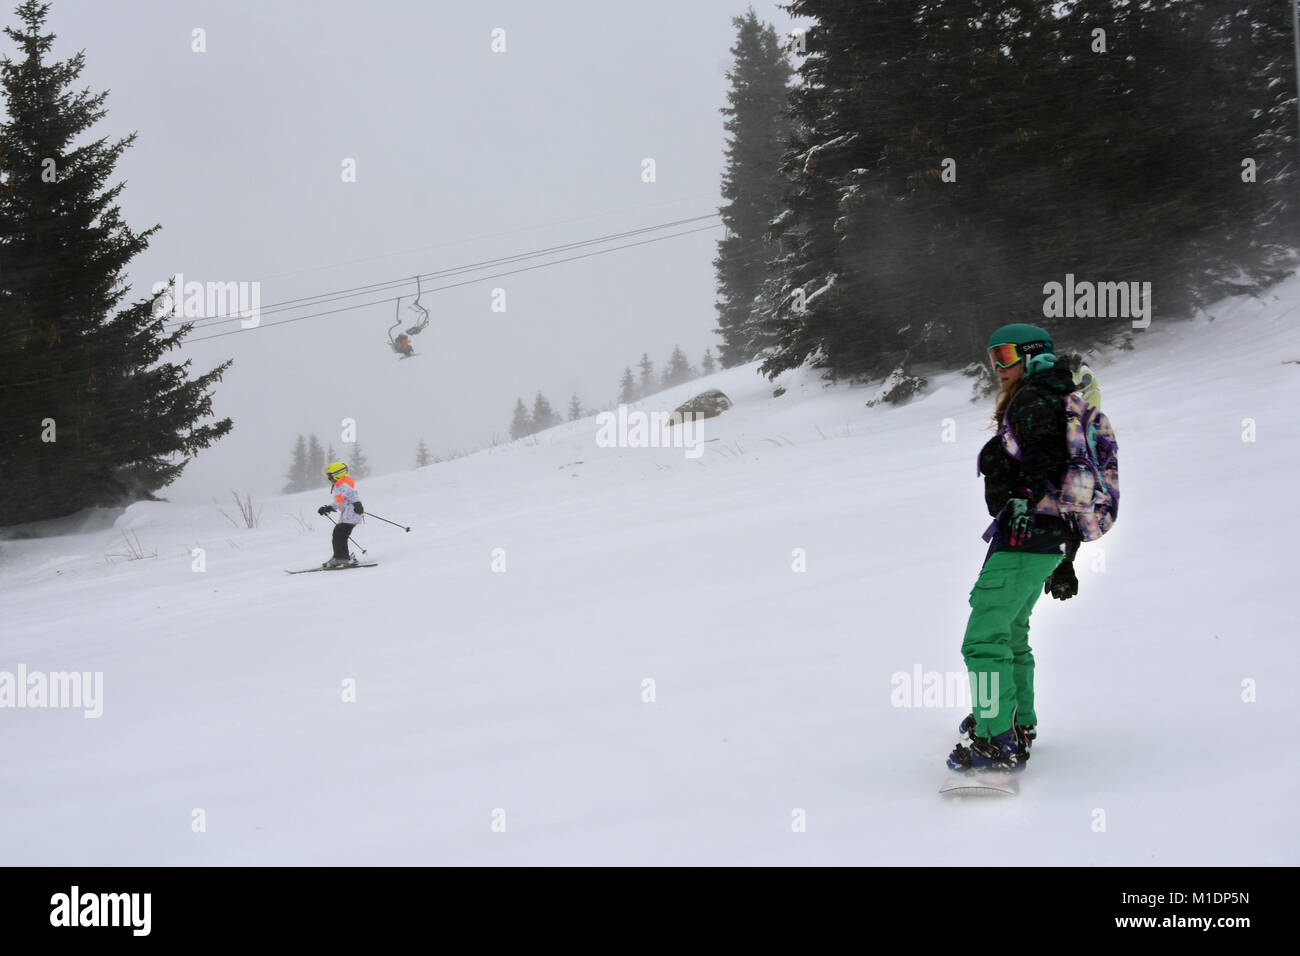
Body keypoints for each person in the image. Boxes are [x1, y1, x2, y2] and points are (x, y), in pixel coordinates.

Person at [947, 323, 1085, 773]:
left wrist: (1023, 495)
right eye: (993, 357)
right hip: (1043, 541)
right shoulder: (1054, 398)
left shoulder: (1034, 399)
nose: (998, 367)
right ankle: (1017, 722)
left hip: (1026, 538)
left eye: (1006, 356)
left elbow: (1045, 458)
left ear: (1030, 356)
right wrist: (1066, 556)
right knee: (1010, 635)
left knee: (983, 642)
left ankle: (995, 740)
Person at [318, 461, 364, 568]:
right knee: (339, 535)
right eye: (328, 477)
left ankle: (342, 558)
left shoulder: (343, 485)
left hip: (353, 514)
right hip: (347, 516)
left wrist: (357, 504)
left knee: (339, 534)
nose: (329, 479)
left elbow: (353, 494)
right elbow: (339, 503)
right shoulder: (338, 486)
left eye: (330, 477)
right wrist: (328, 508)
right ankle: (341, 557)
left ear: (337, 474)